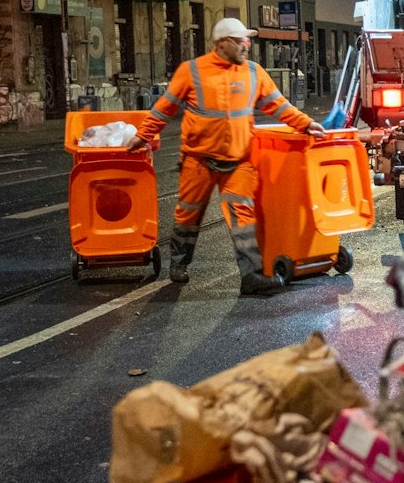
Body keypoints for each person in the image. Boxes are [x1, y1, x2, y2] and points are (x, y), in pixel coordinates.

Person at [128, 18, 319, 295]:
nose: (247, 44)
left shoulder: (254, 72)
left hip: (239, 162)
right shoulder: (191, 71)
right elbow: (163, 109)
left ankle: (252, 276)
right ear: (223, 43)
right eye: (241, 40)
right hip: (198, 161)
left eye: (247, 40)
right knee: (187, 215)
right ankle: (179, 264)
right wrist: (143, 136)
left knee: (243, 217)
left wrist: (305, 123)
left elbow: (278, 105)